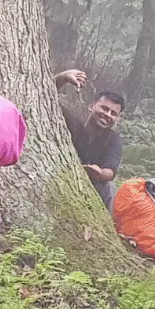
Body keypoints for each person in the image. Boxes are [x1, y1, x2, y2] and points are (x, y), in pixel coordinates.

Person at [51, 68, 125, 209]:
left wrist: (99, 173)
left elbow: (110, 171)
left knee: (109, 187)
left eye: (113, 113)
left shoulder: (113, 140)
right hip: (62, 179)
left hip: (91, 190)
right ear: (91, 106)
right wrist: (64, 77)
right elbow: (44, 96)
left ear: (117, 119)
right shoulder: (72, 124)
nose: (107, 114)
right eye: (104, 108)